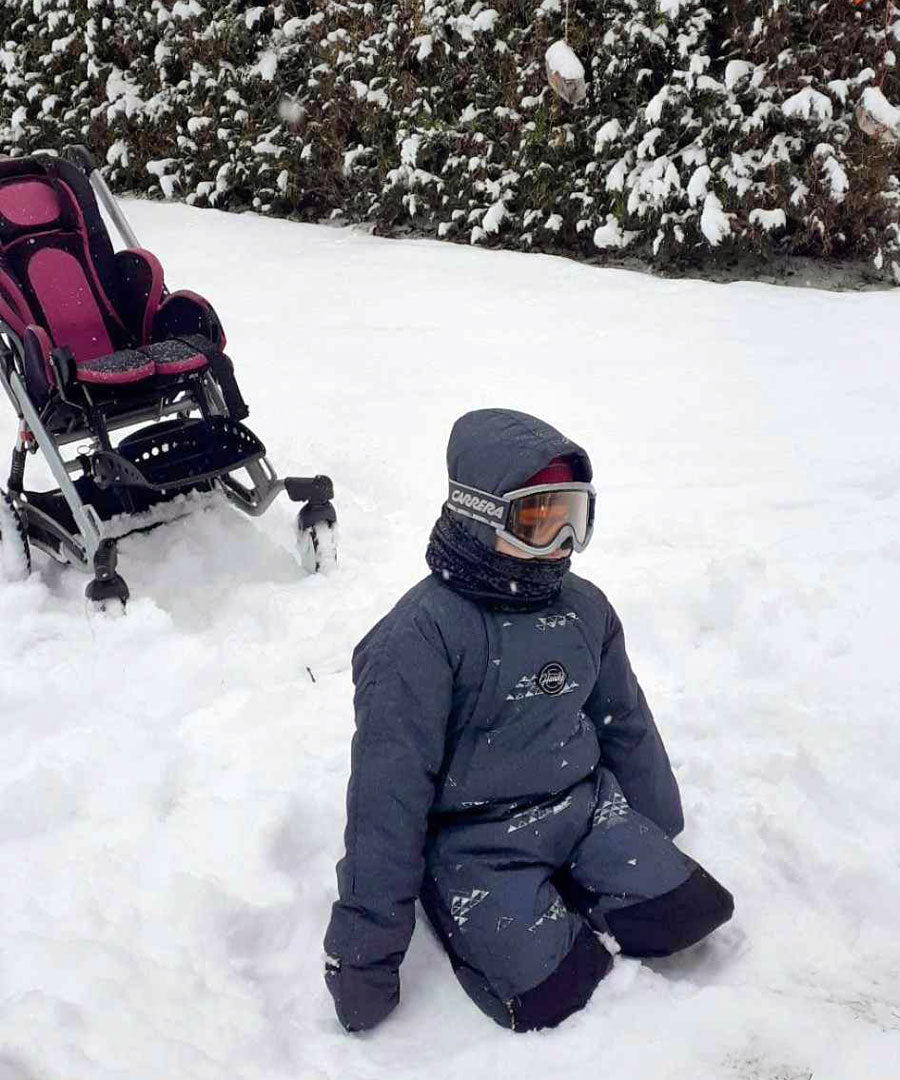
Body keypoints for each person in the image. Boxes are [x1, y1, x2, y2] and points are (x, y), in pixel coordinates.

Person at [324, 408, 734, 1033]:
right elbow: (387, 795)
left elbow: (624, 720)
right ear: (482, 514)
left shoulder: (584, 608)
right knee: (556, 991)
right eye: (541, 521)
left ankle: (586, 878)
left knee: (689, 914)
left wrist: (658, 829)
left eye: (574, 520)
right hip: (477, 840)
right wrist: (366, 958)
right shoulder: (418, 639)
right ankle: (468, 901)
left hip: (584, 806)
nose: (562, 544)